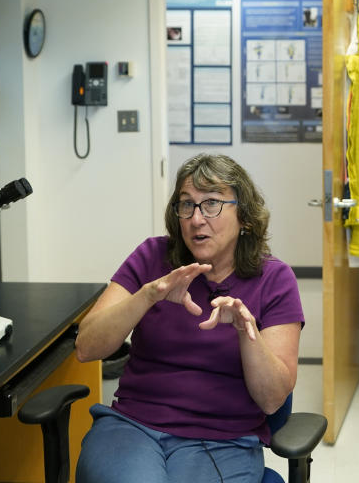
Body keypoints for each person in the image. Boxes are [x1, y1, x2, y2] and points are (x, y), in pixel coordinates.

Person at [74, 153, 303, 483]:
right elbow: (87, 347)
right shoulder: (152, 257)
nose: (196, 218)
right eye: (187, 205)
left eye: (211, 203)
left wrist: (246, 331)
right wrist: (148, 295)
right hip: (132, 428)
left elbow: (271, 400)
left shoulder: (275, 280)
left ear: (245, 217)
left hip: (222, 441)